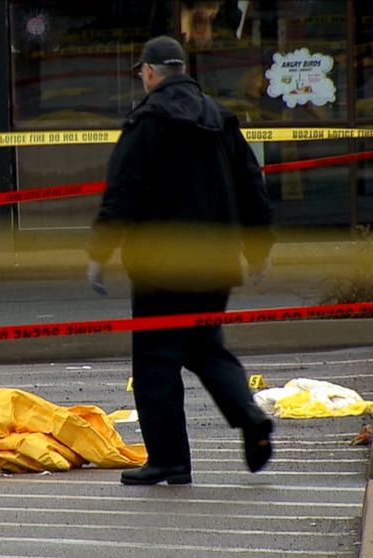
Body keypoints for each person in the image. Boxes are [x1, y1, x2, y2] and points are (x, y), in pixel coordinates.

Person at [87, 36, 275, 486]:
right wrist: (258, 247)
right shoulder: (219, 117)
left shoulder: (147, 121)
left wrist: (100, 251)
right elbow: (252, 181)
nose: (142, 78)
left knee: (155, 360)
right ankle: (250, 417)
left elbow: (123, 190)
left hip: (160, 265)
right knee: (205, 346)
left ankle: (169, 459)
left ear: (151, 72)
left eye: (141, 72)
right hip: (215, 261)